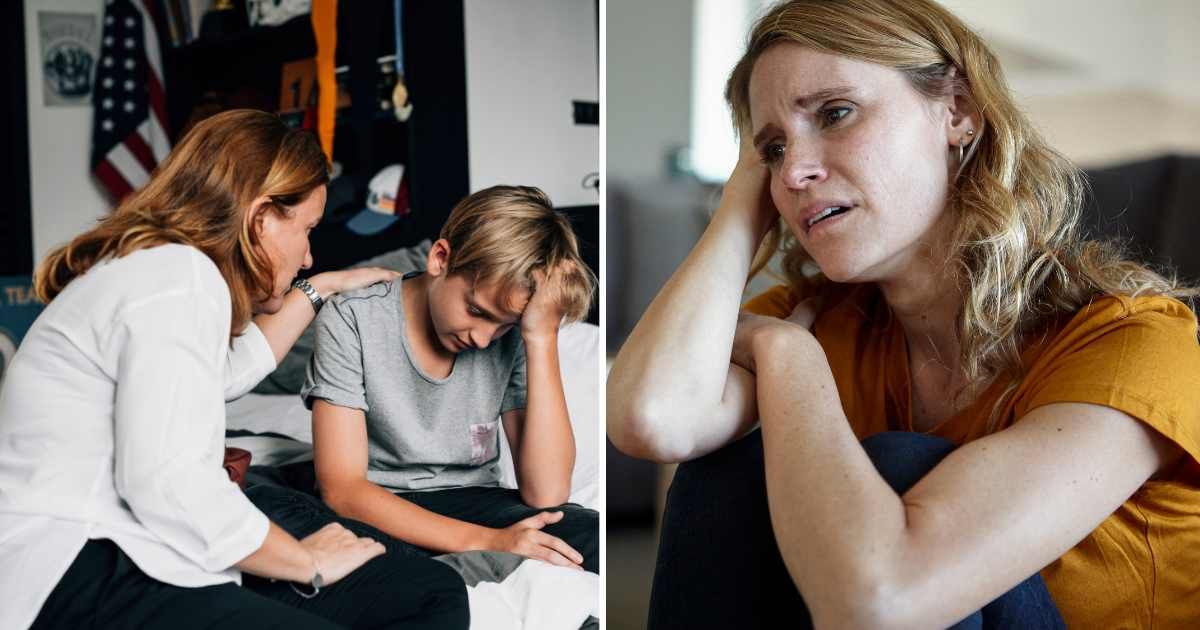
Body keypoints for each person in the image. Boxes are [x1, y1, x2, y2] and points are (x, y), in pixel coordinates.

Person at [607, 1, 1200, 628]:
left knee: (897, 468)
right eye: (773, 150)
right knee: (722, 478)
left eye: (836, 113)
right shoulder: (821, 313)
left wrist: (789, 355)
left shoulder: (1137, 341)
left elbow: (885, 601)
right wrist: (738, 206)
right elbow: (652, 420)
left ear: (958, 111)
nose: (796, 172)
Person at [0, 109, 468, 629]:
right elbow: (166, 482)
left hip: (119, 549)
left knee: (430, 591)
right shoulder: (179, 276)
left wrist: (324, 288)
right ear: (261, 217)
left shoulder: (155, 269)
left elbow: (221, 375)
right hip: (75, 564)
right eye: (308, 230)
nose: (309, 256)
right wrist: (303, 560)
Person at [253, 185, 599, 574]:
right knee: (268, 520)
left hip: (470, 499)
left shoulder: (516, 337)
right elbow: (344, 491)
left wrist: (540, 337)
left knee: (587, 536)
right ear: (440, 258)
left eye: (504, 326)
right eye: (475, 310)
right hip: (378, 504)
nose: (482, 339)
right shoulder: (352, 317)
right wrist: (490, 541)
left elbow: (547, 493)